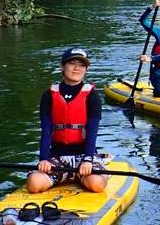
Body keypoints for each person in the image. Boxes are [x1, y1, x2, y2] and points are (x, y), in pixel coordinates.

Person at [26, 48, 107, 194]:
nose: (77, 68)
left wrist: (88, 159)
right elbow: (46, 131)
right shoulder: (49, 95)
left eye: (81, 65)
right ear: (62, 66)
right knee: (34, 184)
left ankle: (82, 175)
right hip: (58, 156)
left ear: (86, 69)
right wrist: (43, 159)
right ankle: (68, 175)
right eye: (72, 63)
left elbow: (92, 131)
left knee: (96, 185)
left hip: (84, 155)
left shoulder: (92, 96)